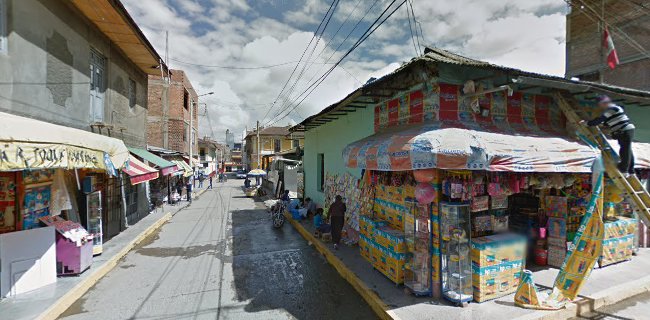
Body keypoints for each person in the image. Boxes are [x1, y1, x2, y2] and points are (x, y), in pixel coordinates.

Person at [582, 95, 636, 176]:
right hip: (626, 130)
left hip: (624, 130)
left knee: (624, 150)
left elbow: (600, 120)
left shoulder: (612, 109)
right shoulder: (614, 109)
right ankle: (631, 171)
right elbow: (605, 122)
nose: (600, 107)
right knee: (627, 149)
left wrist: (587, 123)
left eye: (600, 104)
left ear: (604, 103)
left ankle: (624, 170)